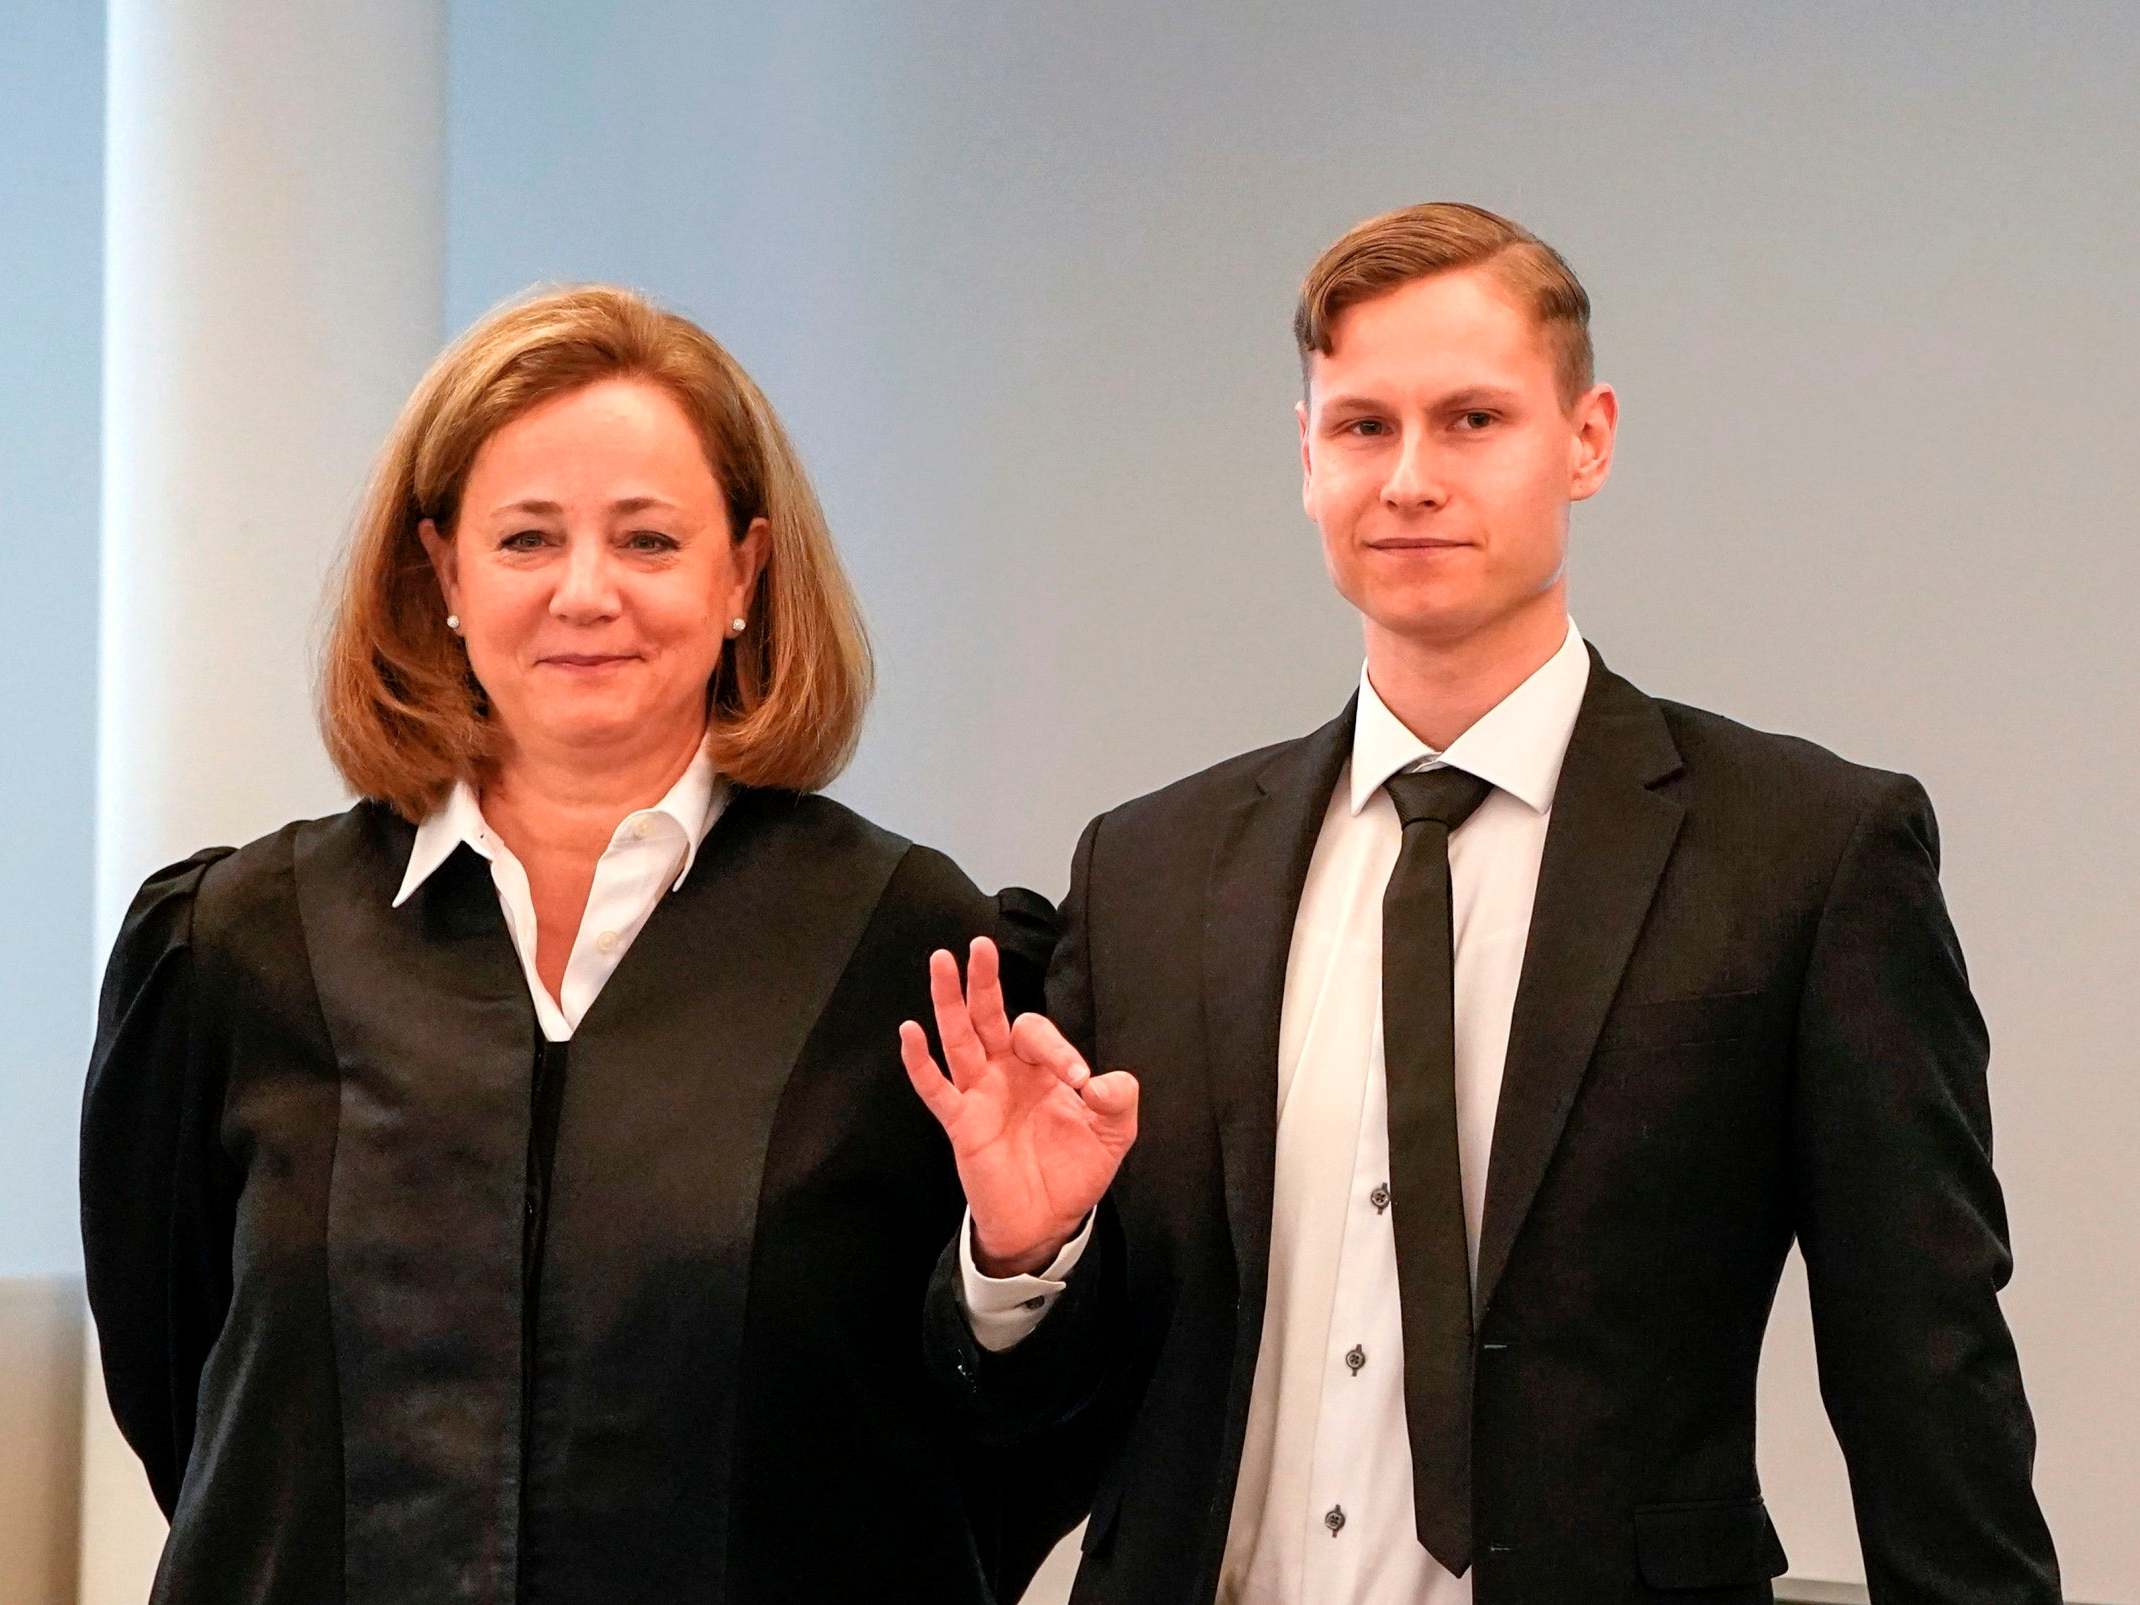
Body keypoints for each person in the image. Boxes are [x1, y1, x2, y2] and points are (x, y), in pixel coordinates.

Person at [903, 203, 2061, 1602]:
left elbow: (1925, 1369)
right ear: (1306, 454)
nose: (1409, 479)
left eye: (1471, 420)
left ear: (1589, 439)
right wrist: (1027, 1257)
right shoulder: (1151, 867)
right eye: (1363, 426)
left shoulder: (1804, 856)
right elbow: (1033, 1444)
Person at [81, 285, 1072, 1603]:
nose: (585, 591)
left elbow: (992, 1456)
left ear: (744, 574)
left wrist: (1017, 1266)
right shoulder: (236, 948)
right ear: (441, 571)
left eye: (650, 539)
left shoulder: (900, 946)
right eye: (526, 538)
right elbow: (197, 1413)